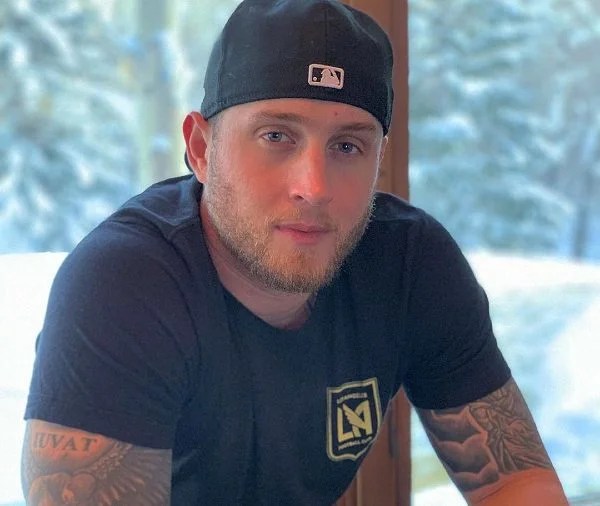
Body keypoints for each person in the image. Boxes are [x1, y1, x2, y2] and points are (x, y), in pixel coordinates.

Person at [21, 0, 568, 504]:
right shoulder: (126, 284)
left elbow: (516, 481)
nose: (314, 187)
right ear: (201, 149)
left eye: (348, 146)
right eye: (276, 136)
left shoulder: (409, 263)